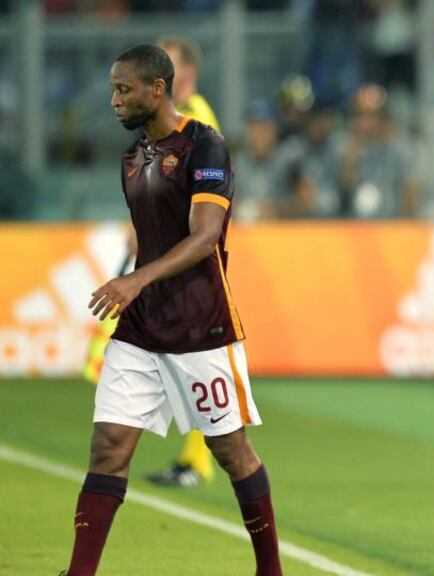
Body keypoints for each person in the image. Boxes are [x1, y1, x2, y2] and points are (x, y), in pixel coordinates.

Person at [61, 44, 282, 576]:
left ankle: (270, 570)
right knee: (108, 446)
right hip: (141, 330)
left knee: (231, 451)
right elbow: (152, 239)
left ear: (157, 88)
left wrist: (136, 278)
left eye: (123, 89)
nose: (114, 101)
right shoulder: (133, 158)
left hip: (201, 325)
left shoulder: (206, 146)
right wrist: (135, 280)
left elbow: (205, 237)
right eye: (113, 90)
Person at [142, 35, 222, 487]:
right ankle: (195, 458)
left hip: (186, 258)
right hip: (170, 254)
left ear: (186, 74)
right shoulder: (170, 119)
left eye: (165, 68)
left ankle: (198, 460)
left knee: (193, 363)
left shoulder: (198, 121)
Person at [339, 83, 420, 218]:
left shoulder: (403, 150)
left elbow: (410, 198)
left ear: (384, 116)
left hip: (392, 229)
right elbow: (343, 194)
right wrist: (350, 158)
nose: (363, 122)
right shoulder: (349, 147)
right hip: (355, 230)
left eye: (370, 115)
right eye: (358, 115)